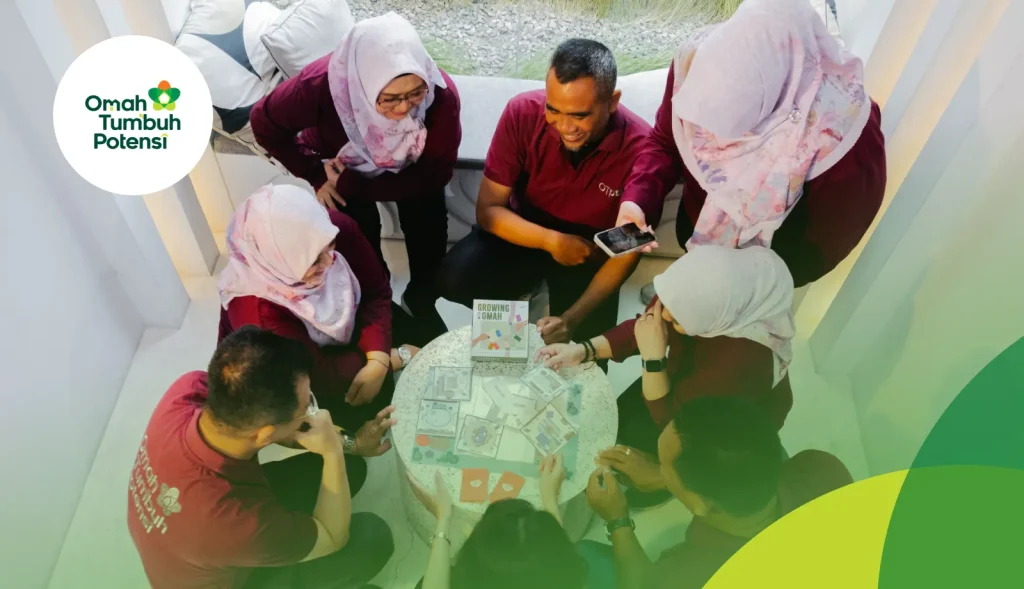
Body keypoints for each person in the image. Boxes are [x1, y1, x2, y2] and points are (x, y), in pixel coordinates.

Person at [622, 0, 887, 292]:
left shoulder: (842, 135)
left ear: (778, 90)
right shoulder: (695, 62)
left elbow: (830, 241)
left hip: (761, 275)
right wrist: (637, 201)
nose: (712, 140)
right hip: (692, 225)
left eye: (731, 120)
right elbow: (665, 141)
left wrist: (744, 293)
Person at [128, 326, 395, 589]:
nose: (315, 413)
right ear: (264, 434)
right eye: (307, 406)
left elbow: (283, 430)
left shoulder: (190, 389)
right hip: (228, 568)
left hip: (198, 532)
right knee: (371, 540)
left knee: (350, 471)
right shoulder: (233, 523)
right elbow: (333, 537)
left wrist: (353, 444)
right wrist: (332, 452)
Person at [250, 12, 461, 342]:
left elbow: (436, 175)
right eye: (389, 98)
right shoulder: (319, 86)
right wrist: (314, 174)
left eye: (415, 94)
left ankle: (422, 297)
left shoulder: (441, 94)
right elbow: (263, 123)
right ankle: (383, 304)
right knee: (360, 244)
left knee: (429, 231)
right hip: (344, 164)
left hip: (407, 169)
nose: (404, 109)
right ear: (361, 84)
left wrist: (353, 184)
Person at [436, 39, 658, 347]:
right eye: (553, 110)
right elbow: (488, 211)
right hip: (523, 232)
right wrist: (551, 241)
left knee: (584, 350)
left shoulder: (643, 148)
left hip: (588, 251)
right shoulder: (522, 112)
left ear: (612, 101)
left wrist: (572, 319)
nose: (564, 127)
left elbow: (628, 249)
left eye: (580, 115)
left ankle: (559, 308)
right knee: (454, 279)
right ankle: (528, 291)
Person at [538, 246, 796, 470]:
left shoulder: (742, 364)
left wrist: (653, 360)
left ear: (719, 320)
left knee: (651, 449)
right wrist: (582, 350)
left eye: (678, 321)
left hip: (713, 428)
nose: (664, 318)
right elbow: (646, 327)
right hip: (674, 378)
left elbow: (673, 423)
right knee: (621, 418)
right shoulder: (689, 292)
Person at [580, 396, 854, 589]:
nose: (650, 465)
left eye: (661, 463)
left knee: (586, 554)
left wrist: (617, 519)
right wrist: (668, 478)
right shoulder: (823, 466)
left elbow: (641, 584)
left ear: (700, 504)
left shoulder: (696, 576)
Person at [217, 184, 418, 431]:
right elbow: (313, 377)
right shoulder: (258, 312)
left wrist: (378, 356)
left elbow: (376, 291)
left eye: (330, 245)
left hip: (352, 321)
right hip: (300, 373)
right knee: (369, 419)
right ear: (278, 262)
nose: (330, 261)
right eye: (313, 260)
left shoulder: (332, 228)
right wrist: (394, 358)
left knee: (432, 351)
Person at [407, 455, 612, 589]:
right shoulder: (565, 578)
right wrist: (550, 498)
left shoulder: (465, 578)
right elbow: (549, 557)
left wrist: (443, 518)